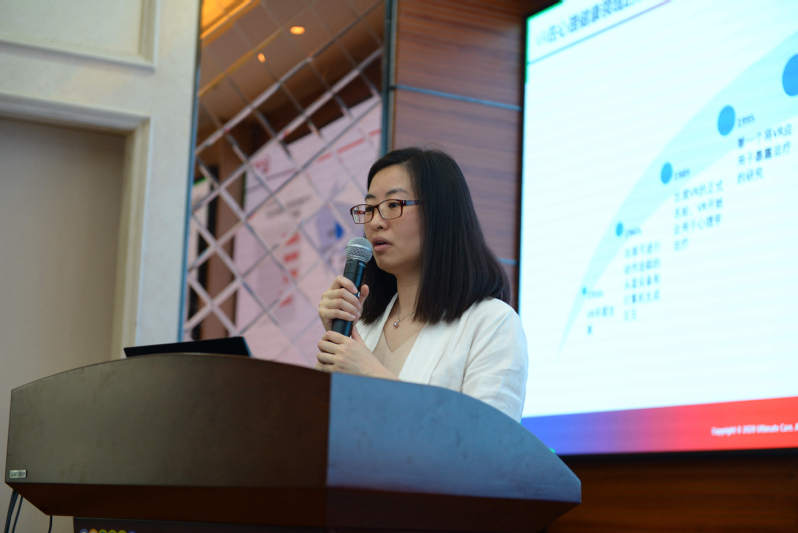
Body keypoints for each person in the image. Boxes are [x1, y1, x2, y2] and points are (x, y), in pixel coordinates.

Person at [316, 147, 528, 421]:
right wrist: (338, 337)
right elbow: (324, 426)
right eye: (369, 208)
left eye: (393, 205)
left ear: (440, 214)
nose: (376, 222)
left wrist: (372, 374)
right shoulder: (364, 326)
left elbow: (490, 439)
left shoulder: (492, 324)